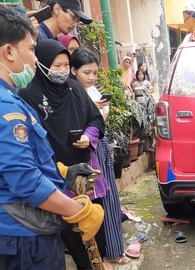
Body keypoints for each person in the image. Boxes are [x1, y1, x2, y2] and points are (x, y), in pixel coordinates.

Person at [0, 5, 103, 269]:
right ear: (8, 51)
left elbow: (23, 163)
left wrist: (62, 172)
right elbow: (25, 181)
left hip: (23, 229)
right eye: (30, 49)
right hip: (26, 236)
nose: (33, 59)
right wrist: (79, 211)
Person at [19, 39, 107, 270]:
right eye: (56, 65)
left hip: (84, 172)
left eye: (65, 65)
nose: (62, 71)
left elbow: (95, 118)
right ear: (43, 64)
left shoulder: (75, 89)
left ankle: (98, 264)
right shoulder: (28, 97)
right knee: (71, 233)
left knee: (94, 225)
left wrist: (88, 136)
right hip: (56, 177)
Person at [71, 47, 131, 265]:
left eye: (95, 73)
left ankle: (112, 252)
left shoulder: (93, 91)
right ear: (73, 70)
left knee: (109, 200)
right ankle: (102, 256)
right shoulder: (72, 95)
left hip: (99, 147)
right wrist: (91, 111)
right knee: (91, 206)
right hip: (85, 154)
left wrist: (96, 112)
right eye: (87, 72)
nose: (91, 77)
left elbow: (99, 122)